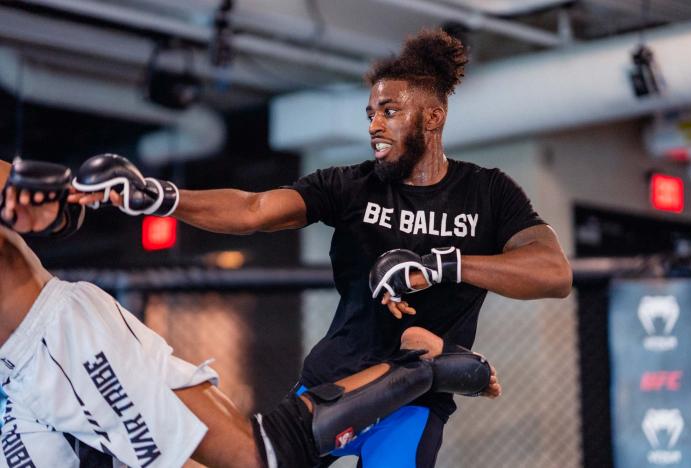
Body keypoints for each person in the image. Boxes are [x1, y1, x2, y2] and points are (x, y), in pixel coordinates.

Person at [72, 28, 569, 468]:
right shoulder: (348, 185)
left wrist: (442, 264)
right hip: (332, 383)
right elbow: (254, 210)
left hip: (412, 397)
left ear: (433, 116)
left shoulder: (488, 192)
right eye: (371, 112)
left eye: (390, 111)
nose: (375, 124)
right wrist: (161, 196)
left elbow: (552, 272)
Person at [0, 158, 499, 468]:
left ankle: (418, 364)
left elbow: (38, 203)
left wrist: (35, 204)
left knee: (256, 457)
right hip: (11, 385)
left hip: (51, 343)